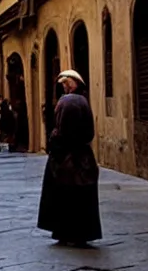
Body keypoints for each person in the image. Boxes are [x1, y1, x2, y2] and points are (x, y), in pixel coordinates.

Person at [37, 69, 101, 247]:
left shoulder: (68, 101)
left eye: (65, 84)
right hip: (83, 156)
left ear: (72, 84)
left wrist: (54, 142)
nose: (63, 87)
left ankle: (64, 231)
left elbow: (62, 131)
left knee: (63, 195)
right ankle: (81, 233)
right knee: (81, 197)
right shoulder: (83, 101)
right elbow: (89, 133)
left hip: (66, 156)